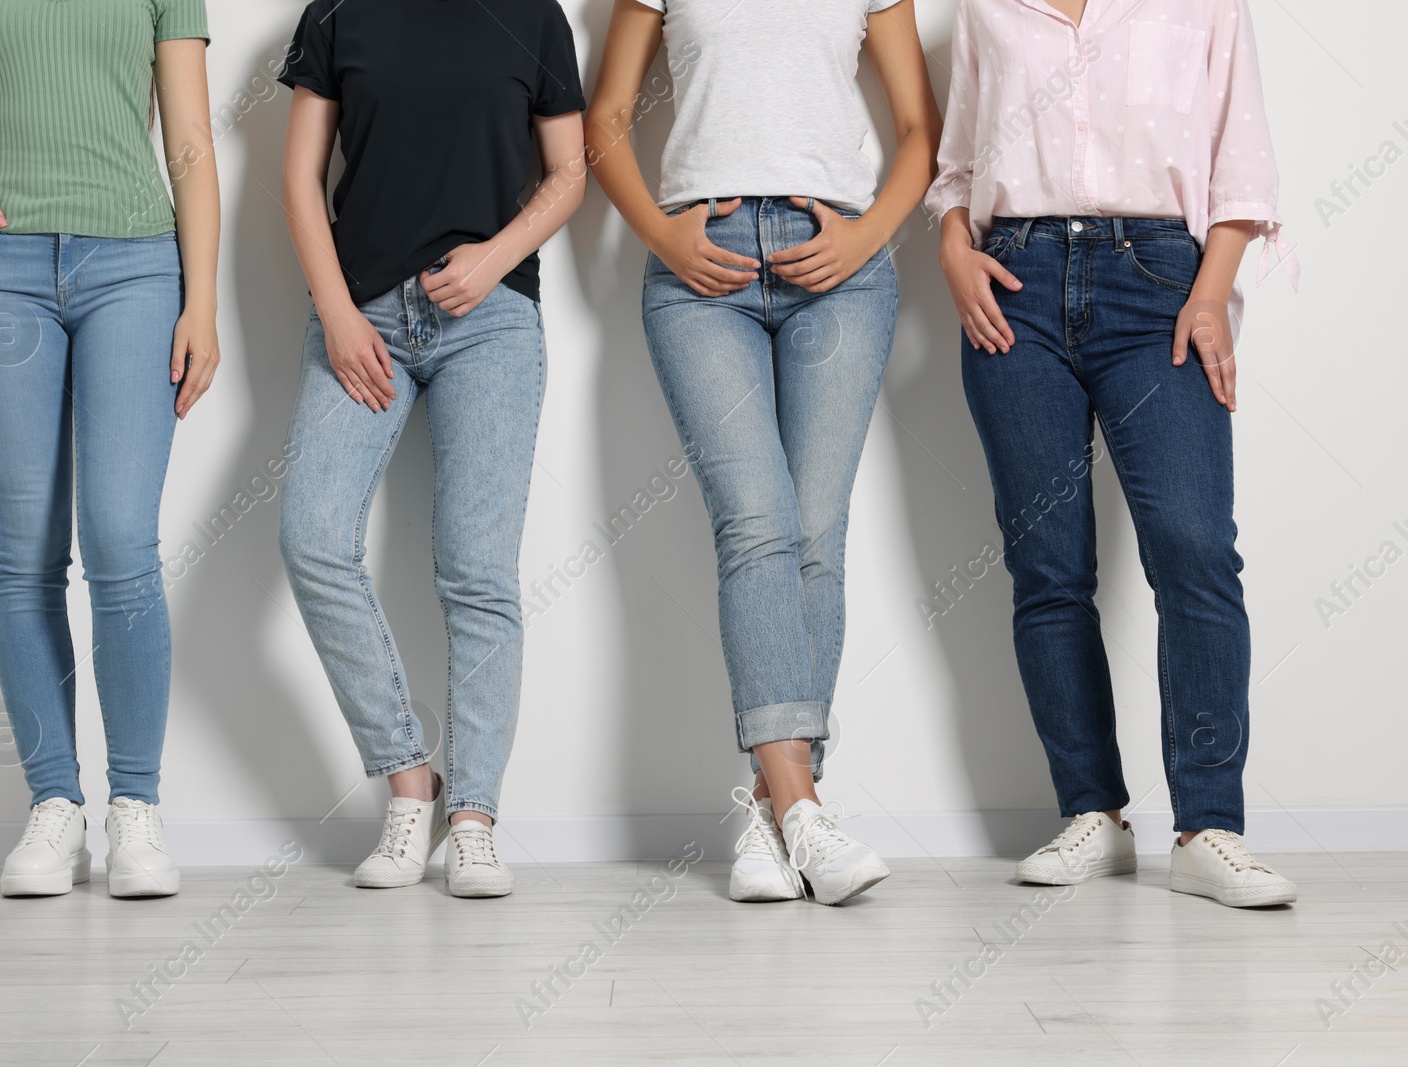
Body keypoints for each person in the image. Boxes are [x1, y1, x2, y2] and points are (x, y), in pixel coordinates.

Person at [927, 0, 1299, 907]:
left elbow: (1241, 170)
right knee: (1048, 569)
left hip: (1162, 285)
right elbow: (959, 168)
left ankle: (1209, 826)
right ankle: (1093, 814)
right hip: (1013, 284)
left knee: (1196, 549)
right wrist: (952, 249)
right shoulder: (987, 7)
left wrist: (1209, 295)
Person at [0, 0, 221, 897]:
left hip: (136, 270)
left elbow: (189, 144)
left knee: (120, 544)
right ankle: (54, 804)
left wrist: (203, 303)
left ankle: (135, 808)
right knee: (24, 556)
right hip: (0, 273)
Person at [588, 0, 942, 905]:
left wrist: (867, 238)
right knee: (757, 521)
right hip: (699, 265)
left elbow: (918, 129)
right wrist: (661, 234)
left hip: (841, 265)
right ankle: (804, 808)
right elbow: (607, 119)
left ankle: (772, 811)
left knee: (816, 532)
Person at [275, 0, 587, 898]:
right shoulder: (337, 12)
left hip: (489, 321)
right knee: (312, 538)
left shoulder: (535, 16)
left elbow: (568, 172)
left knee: (477, 570)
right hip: (361, 313)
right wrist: (335, 313)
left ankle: (476, 816)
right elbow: (299, 179)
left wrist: (495, 258)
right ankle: (412, 782)